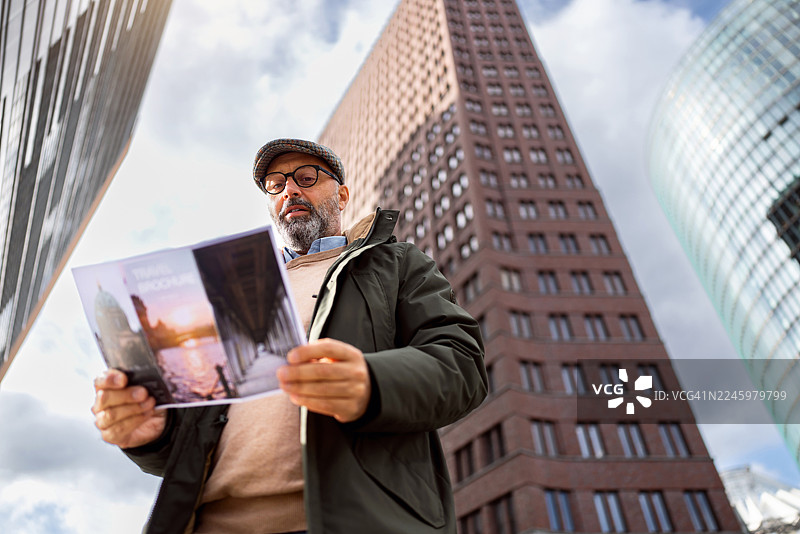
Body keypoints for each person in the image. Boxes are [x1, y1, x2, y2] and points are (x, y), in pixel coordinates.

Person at [91, 138, 487, 534]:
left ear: (343, 194)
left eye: (306, 177)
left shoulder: (396, 263)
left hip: (353, 520)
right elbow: (197, 436)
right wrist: (152, 437)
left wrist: (373, 383)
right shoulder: (227, 290)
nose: (290, 190)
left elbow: (462, 364)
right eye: (275, 185)